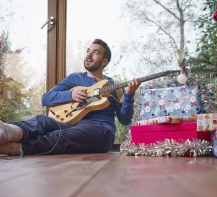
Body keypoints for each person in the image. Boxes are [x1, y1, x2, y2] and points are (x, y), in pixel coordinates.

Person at [0, 39, 141, 156]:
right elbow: (46, 98)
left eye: (95, 52)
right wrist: (70, 94)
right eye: (88, 51)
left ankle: (13, 148)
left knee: (59, 136)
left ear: (104, 61)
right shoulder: (75, 78)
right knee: (42, 121)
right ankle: (6, 132)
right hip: (71, 125)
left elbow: (124, 120)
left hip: (100, 131)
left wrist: (129, 95)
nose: (89, 55)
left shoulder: (115, 85)